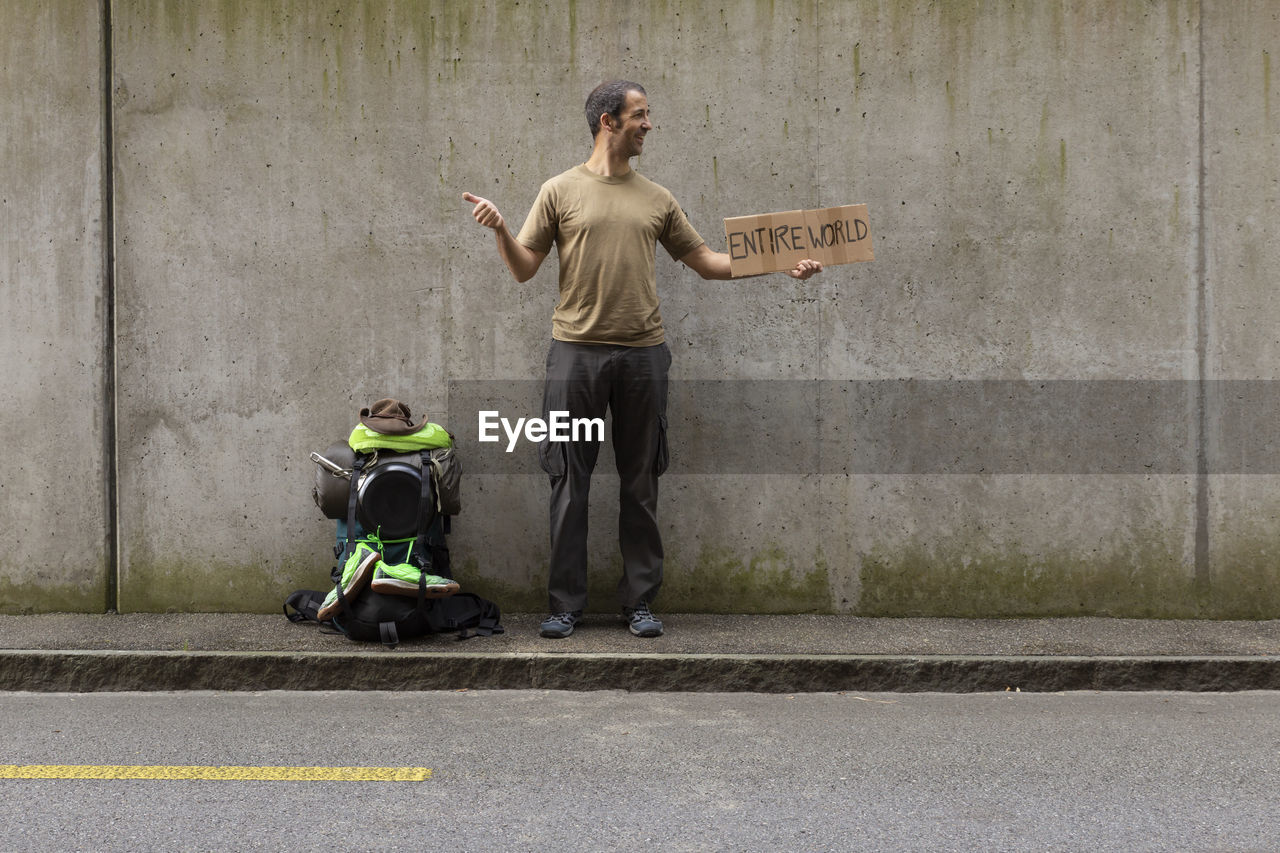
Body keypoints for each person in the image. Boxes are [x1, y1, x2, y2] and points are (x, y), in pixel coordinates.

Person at [464, 80, 822, 639]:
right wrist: (502, 230)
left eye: (647, 115)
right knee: (568, 480)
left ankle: (639, 603)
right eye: (640, 115)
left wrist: (780, 263)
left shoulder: (658, 199)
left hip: (643, 358)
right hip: (574, 358)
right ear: (608, 121)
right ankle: (564, 605)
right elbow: (524, 267)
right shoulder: (558, 191)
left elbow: (705, 261)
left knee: (641, 481)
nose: (648, 124)